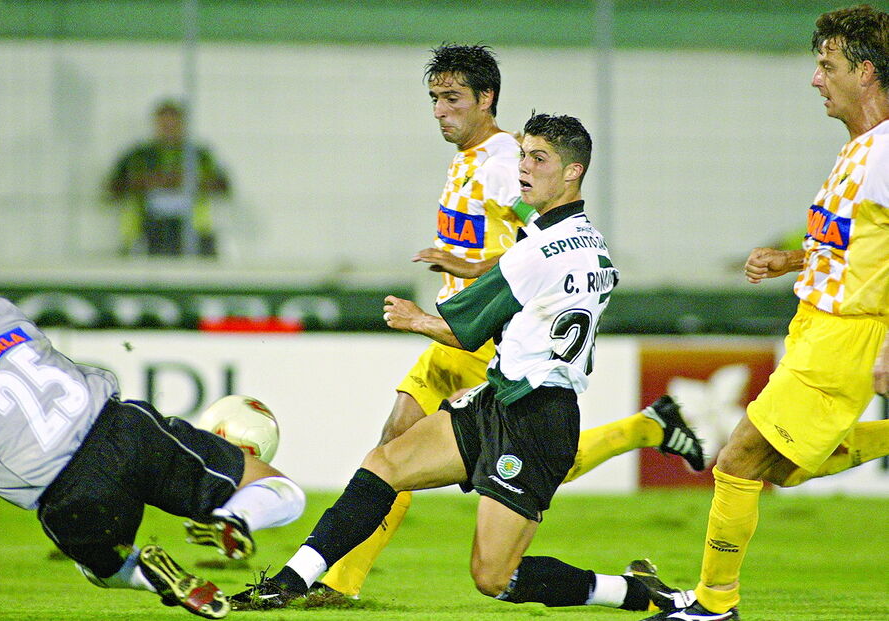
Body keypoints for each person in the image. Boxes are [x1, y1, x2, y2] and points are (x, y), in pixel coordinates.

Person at [228, 113, 696, 614]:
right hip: (501, 397)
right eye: (524, 155)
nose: (525, 168)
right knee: (385, 464)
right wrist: (481, 270)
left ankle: (637, 594)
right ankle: (289, 582)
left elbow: (465, 329)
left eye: (540, 159)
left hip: (535, 421)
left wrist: (415, 319)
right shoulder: (593, 245)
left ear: (572, 172)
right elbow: (535, 285)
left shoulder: (535, 252)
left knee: (493, 577)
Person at [319, 43, 706, 600]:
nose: (438, 111)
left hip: (483, 333)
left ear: (486, 100)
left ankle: (645, 429)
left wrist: (476, 266)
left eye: (451, 99)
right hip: (454, 329)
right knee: (394, 446)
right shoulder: (470, 157)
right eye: (433, 98)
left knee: (521, 463)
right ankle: (340, 580)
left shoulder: (507, 162)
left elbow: (540, 232)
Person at [644, 5, 889, 620]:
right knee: (782, 467)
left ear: (865, 72)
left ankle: (713, 602)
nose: (815, 79)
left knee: (739, 458)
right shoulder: (861, 150)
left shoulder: (885, 154)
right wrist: (791, 260)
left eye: (826, 65)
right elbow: (854, 246)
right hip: (818, 326)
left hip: (847, 335)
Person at [0, 262, 306, 619]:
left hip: (64, 491)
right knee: (282, 489)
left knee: (102, 570)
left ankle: (151, 577)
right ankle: (236, 518)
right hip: (124, 431)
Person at [107, 99, 229, 256]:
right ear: (156, 125)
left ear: (182, 125)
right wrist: (147, 182)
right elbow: (113, 188)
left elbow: (222, 186)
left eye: (173, 125)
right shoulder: (137, 155)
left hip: (194, 231)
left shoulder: (199, 155)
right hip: (145, 231)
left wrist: (186, 181)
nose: (169, 129)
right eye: (164, 125)